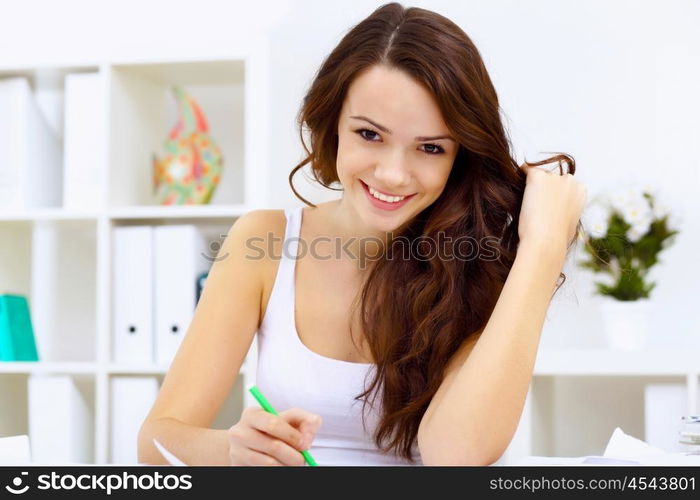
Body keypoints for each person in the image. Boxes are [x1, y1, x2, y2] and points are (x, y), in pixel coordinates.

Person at [138, 2, 586, 466]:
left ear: (460, 158)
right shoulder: (265, 241)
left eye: (430, 148)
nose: (393, 174)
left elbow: (457, 455)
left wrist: (542, 247)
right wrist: (233, 450)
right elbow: (157, 440)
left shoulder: (477, 261)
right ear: (332, 124)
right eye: (370, 135)